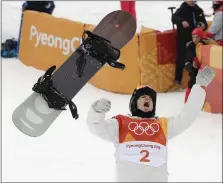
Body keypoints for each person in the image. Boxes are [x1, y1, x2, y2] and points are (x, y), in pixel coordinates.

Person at [86, 66, 215, 182]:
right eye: (143, 97)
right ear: (134, 103)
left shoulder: (163, 125)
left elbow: (187, 116)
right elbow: (96, 126)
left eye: (150, 98)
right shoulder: (121, 123)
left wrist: (199, 87)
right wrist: (96, 111)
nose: (148, 99)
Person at [171, 0, 208, 88]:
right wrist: (181, 21)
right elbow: (174, 18)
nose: (193, 1)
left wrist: (203, 24)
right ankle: (178, 81)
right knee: (181, 59)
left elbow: (204, 23)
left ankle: (199, 81)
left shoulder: (198, 9)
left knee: (198, 59)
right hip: (184, 39)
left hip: (197, 40)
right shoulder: (182, 9)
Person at [184, 27, 206, 103]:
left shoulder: (206, 45)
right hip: (194, 72)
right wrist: (192, 66)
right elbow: (186, 62)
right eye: (193, 37)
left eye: (197, 37)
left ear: (201, 37)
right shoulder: (190, 47)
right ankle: (187, 102)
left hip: (204, 72)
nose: (195, 39)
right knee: (191, 84)